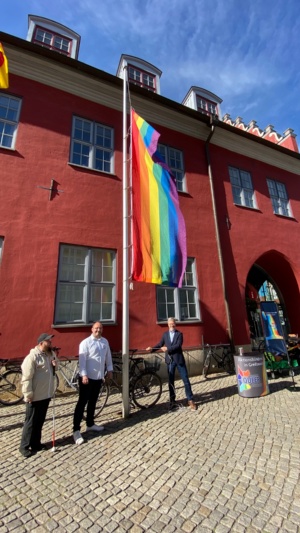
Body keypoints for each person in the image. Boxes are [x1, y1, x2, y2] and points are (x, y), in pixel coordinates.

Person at [73, 321, 113, 445]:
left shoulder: (105, 342)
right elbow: (82, 360)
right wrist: (83, 374)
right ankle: (76, 430)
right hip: (87, 378)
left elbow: (108, 357)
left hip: (98, 377)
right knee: (82, 403)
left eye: (100, 328)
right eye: (96, 328)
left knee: (93, 401)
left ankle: (90, 423)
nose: (98, 330)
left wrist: (110, 369)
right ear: (92, 329)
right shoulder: (85, 343)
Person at [146, 317, 197, 411]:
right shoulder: (165, 334)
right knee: (171, 382)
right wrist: (151, 349)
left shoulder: (179, 334)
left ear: (175, 324)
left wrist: (168, 349)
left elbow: (178, 345)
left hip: (179, 360)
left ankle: (190, 400)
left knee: (186, 380)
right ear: (168, 324)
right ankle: (172, 400)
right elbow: (160, 344)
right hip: (170, 361)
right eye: (170, 324)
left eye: (173, 323)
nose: (171, 325)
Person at [20, 333, 56, 458]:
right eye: (48, 342)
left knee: (40, 421)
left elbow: (57, 365)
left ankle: (36, 443)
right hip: (34, 396)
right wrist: (28, 394)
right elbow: (27, 378)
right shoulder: (32, 357)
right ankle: (24, 446)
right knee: (30, 422)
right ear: (41, 343)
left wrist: (55, 363)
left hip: (45, 395)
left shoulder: (50, 354)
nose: (50, 343)